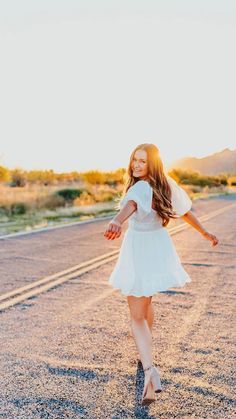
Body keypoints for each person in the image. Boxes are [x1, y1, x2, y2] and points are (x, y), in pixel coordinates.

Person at [103, 143, 219, 406]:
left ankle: (150, 371)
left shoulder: (140, 187)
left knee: (136, 316)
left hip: (140, 250)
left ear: (152, 164)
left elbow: (130, 205)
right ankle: (146, 354)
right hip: (157, 248)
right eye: (135, 160)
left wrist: (116, 221)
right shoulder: (164, 183)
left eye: (143, 161)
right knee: (146, 303)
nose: (137, 165)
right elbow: (185, 211)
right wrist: (204, 233)